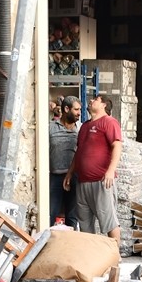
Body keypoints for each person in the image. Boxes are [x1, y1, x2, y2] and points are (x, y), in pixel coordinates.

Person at [65, 93, 123, 242]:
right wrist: (70, 173)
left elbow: (117, 145)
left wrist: (110, 170)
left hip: (102, 181)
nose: (91, 100)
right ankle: (91, 259)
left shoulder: (109, 122)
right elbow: (79, 152)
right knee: (85, 226)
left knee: (109, 221)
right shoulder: (84, 126)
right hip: (83, 182)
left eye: (96, 99)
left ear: (104, 105)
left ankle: (115, 258)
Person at [49, 95, 81, 227]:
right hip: (55, 177)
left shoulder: (80, 129)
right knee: (50, 213)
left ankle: (71, 245)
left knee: (72, 217)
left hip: (74, 177)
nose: (79, 113)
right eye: (76, 110)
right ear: (66, 109)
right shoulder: (50, 127)